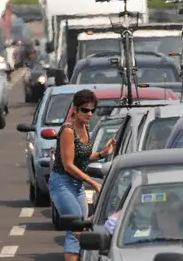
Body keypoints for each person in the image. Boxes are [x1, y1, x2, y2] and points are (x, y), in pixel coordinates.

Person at [49, 89, 116, 261]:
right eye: (85, 110)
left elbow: (83, 158)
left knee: (84, 229)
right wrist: (93, 183)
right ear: (75, 110)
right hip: (62, 183)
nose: (89, 113)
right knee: (76, 229)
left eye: (92, 110)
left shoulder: (85, 127)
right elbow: (68, 165)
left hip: (76, 185)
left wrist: (102, 153)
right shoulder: (67, 130)